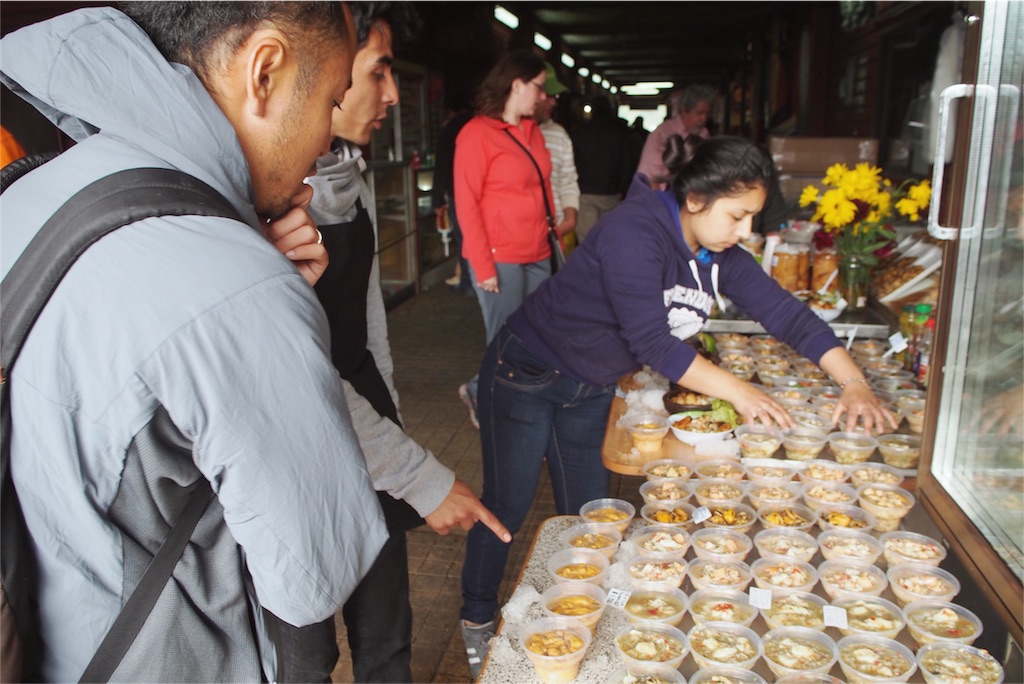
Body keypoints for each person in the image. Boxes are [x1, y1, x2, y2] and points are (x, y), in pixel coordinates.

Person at [0, 4, 389, 681]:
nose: (327, 140)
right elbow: (306, 582)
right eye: (331, 100)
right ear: (264, 71)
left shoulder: (36, 191)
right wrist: (256, 289)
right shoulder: (237, 284)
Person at [458, 134, 897, 673]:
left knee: (593, 519)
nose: (746, 231)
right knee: (507, 503)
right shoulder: (634, 231)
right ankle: (477, 617)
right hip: (527, 370)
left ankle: (574, 629)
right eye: (738, 216)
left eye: (751, 217)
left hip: (589, 386)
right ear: (695, 200)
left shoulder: (718, 253)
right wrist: (741, 392)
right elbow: (653, 343)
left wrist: (852, 380)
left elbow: (784, 313)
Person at [279, 5, 510, 680]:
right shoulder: (258, 201)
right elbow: (296, 376)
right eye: (377, 72)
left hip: (367, 431)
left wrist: (397, 447)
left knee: (386, 632)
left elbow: (370, 325)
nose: (389, 94)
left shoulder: (349, 178)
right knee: (305, 655)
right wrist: (419, 475)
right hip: (295, 452)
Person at [453, 50, 555, 431]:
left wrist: (555, 236)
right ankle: (491, 400)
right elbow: (467, 203)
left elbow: (545, 188)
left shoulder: (533, 131)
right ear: (517, 84)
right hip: (500, 258)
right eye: (539, 87)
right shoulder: (476, 133)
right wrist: (482, 265)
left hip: (539, 252)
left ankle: (488, 391)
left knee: (538, 335)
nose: (543, 96)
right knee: (505, 341)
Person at [572, 95, 632, 242]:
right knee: (609, 241)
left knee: (587, 242)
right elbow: (627, 164)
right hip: (611, 195)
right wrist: (622, 190)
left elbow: (572, 163)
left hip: (585, 194)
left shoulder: (580, 134)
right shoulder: (619, 135)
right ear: (610, 111)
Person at [534, 62, 580, 248]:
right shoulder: (503, 135)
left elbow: (568, 180)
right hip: (521, 240)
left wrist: (569, 220)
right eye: (549, 95)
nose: (553, 101)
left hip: (557, 236)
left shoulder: (558, 134)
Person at [432, 103, 475, 295]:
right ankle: (471, 280)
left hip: (456, 190)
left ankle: (468, 282)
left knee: (464, 238)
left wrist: (437, 199)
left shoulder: (449, 128)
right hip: (476, 189)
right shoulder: (477, 125)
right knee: (473, 236)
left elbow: (441, 165)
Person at [637, 83, 715, 186]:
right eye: (699, 113)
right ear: (684, 110)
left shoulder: (704, 134)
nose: (704, 119)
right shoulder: (663, 133)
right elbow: (651, 175)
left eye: (707, 114)